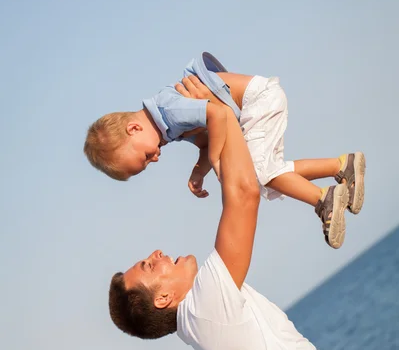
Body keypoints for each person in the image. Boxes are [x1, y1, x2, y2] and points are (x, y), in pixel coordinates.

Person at [107, 78, 399, 350]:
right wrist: (219, 112)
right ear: (164, 298)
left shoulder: (206, 315)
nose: (156, 255)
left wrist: (214, 140)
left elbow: (247, 181)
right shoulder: (205, 310)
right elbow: (243, 193)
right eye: (149, 267)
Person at [84, 52, 365, 249]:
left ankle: (323, 199)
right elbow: (206, 141)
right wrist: (199, 171)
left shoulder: (168, 110)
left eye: (145, 157)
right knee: (268, 177)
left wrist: (217, 159)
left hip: (259, 99)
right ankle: (341, 166)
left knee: (257, 174)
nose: (155, 157)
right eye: (149, 162)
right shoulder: (167, 128)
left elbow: (217, 115)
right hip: (256, 104)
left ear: (133, 129)